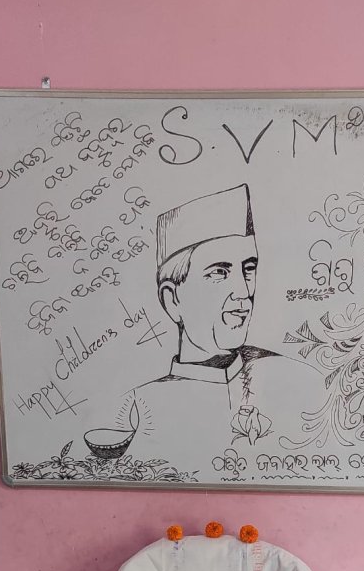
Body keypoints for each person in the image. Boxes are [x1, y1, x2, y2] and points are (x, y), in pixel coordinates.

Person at [126, 184, 324, 458]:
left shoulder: (300, 379)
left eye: (249, 269)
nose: (243, 292)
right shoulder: (138, 408)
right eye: (219, 272)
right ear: (172, 300)